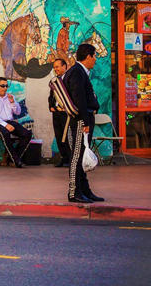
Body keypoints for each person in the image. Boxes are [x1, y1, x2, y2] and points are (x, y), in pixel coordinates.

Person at [63, 44, 103, 203]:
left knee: (81, 155)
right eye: (94, 56)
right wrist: (85, 121)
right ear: (88, 56)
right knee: (77, 157)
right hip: (81, 120)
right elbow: (79, 98)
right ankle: (74, 192)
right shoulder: (77, 73)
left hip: (83, 119)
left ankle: (85, 190)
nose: (95, 59)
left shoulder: (79, 72)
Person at [0, 77, 33, 167]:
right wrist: (5, 125)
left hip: (9, 122)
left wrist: (13, 102)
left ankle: (12, 158)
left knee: (27, 134)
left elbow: (17, 112)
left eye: (6, 86)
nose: (5, 88)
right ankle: (16, 161)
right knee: (5, 133)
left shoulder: (10, 96)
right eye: (2, 86)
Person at [48, 58, 72, 167]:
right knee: (58, 136)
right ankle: (63, 158)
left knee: (66, 136)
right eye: (54, 67)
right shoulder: (54, 81)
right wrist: (51, 106)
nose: (55, 69)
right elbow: (51, 96)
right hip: (56, 113)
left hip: (66, 113)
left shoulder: (70, 79)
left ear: (64, 66)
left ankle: (70, 159)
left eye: (57, 66)